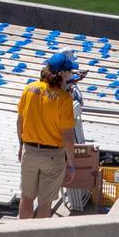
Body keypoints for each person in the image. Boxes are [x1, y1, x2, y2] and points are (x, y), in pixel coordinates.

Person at [16, 52, 80, 219]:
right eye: (69, 72)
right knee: (45, 204)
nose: (71, 75)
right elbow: (67, 136)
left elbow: (19, 121)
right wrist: (71, 164)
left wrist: (20, 145)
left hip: (29, 152)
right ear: (62, 73)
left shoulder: (29, 89)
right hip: (52, 156)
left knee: (26, 198)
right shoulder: (64, 99)